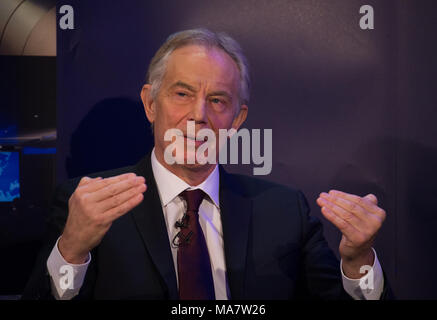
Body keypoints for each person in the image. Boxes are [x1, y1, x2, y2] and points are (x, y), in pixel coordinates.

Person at [22, 28, 391, 300]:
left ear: (237, 119)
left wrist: (359, 261)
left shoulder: (284, 211)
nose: (198, 115)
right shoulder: (90, 203)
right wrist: (71, 251)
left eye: (217, 100)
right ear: (151, 104)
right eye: (182, 94)